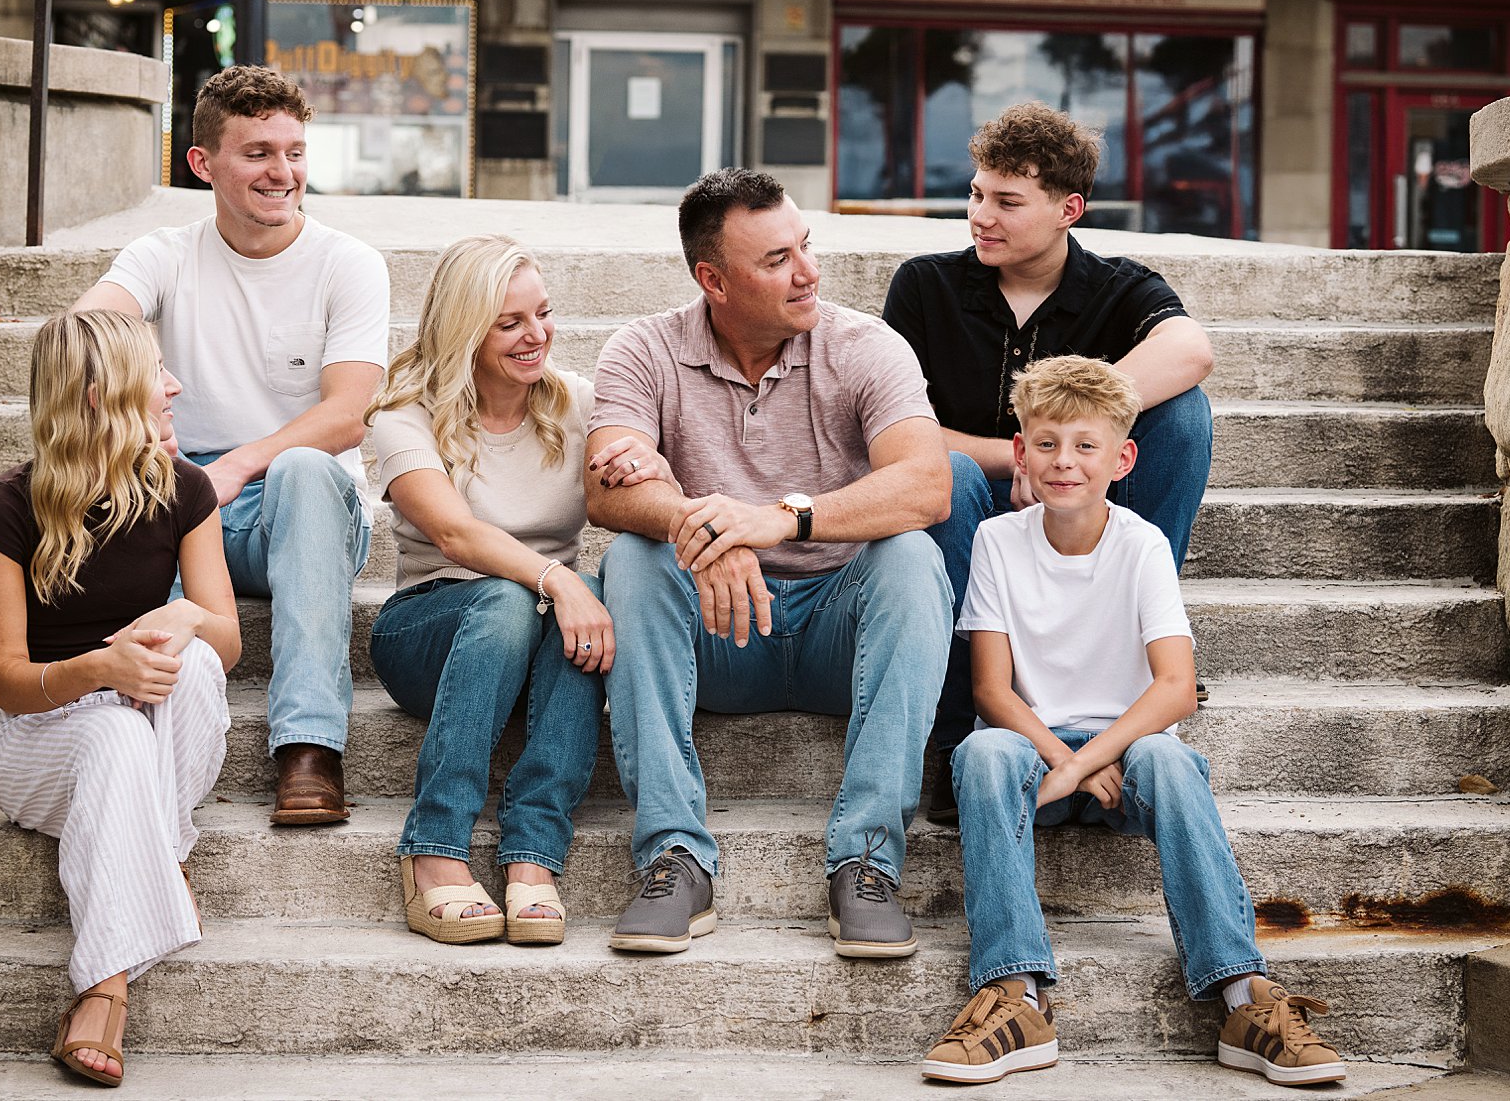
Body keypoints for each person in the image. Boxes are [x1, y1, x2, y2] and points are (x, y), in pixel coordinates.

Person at [917, 356, 1345, 1087]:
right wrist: (1062, 757)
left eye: (1086, 446)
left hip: (1124, 760)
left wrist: (1088, 762)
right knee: (984, 754)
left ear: (1123, 458)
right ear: (1019, 452)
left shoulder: (1142, 543)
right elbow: (991, 690)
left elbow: (1176, 689)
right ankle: (1015, 994)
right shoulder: (997, 541)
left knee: (1171, 759)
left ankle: (1244, 996)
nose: (1064, 462)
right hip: (1035, 757)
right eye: (1046, 443)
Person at [586, 167, 954, 959]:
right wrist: (703, 525)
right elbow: (605, 485)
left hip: (839, 628)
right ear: (713, 280)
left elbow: (927, 484)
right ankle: (673, 857)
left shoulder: (864, 345)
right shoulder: (643, 350)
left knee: (913, 557)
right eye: (777, 259)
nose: (808, 271)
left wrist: (776, 519)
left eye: (806, 246)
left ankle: (866, 862)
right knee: (634, 560)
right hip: (721, 632)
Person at [882, 100, 1217, 818]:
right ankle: (952, 739)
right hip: (973, 532)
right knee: (955, 473)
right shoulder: (926, 285)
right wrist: (1022, 465)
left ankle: (1142, 677)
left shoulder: (1118, 287)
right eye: (975, 194)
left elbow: (1192, 351)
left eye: (1007, 201)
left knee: (1184, 415)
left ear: (1069, 208)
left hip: (1085, 526)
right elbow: (895, 429)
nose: (980, 216)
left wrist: (1070, 447)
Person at [73, 65, 389, 825]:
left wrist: (239, 464)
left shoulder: (348, 263)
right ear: (203, 163)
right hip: (190, 504)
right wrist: (138, 384)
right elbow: (80, 334)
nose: (284, 173)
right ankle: (142, 746)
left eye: (295, 151)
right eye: (257, 153)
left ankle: (309, 750)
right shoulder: (166, 253)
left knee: (310, 468)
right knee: (139, 473)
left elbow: (350, 413)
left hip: (301, 509)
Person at [367, 235, 669, 945]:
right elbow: (454, 535)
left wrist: (650, 461)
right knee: (521, 598)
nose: (537, 336)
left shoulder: (578, 404)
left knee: (581, 604)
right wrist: (559, 578)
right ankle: (435, 843)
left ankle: (532, 856)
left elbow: (648, 494)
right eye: (510, 323)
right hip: (429, 630)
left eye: (543, 313)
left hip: (542, 635)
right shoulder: (402, 414)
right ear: (465, 330)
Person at [0, 310, 242, 1087]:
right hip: (40, 736)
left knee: (194, 666)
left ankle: (161, 846)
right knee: (114, 735)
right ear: (98, 396)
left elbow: (228, 643)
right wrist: (98, 669)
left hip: (144, 716)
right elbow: (9, 681)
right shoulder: (4, 511)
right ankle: (105, 986)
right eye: (156, 371)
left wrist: (188, 616)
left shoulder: (183, 490)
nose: (174, 385)